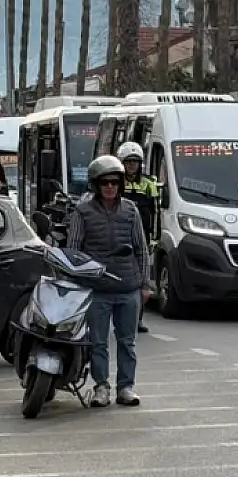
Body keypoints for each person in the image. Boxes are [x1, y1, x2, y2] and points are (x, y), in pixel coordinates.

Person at [65, 155, 150, 408]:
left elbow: (141, 249)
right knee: (98, 343)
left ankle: (126, 387)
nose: (110, 187)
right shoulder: (83, 212)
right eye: (105, 183)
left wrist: (146, 284)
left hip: (128, 287)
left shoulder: (131, 210)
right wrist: (79, 279)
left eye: (115, 182)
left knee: (127, 342)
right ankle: (101, 386)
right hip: (98, 289)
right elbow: (73, 251)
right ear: (95, 185)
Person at [116, 142, 160, 334]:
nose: (132, 165)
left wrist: (155, 238)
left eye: (135, 162)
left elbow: (156, 213)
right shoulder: (115, 183)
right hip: (119, 237)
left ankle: (138, 318)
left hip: (141, 239)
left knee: (141, 281)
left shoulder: (149, 184)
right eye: (129, 162)